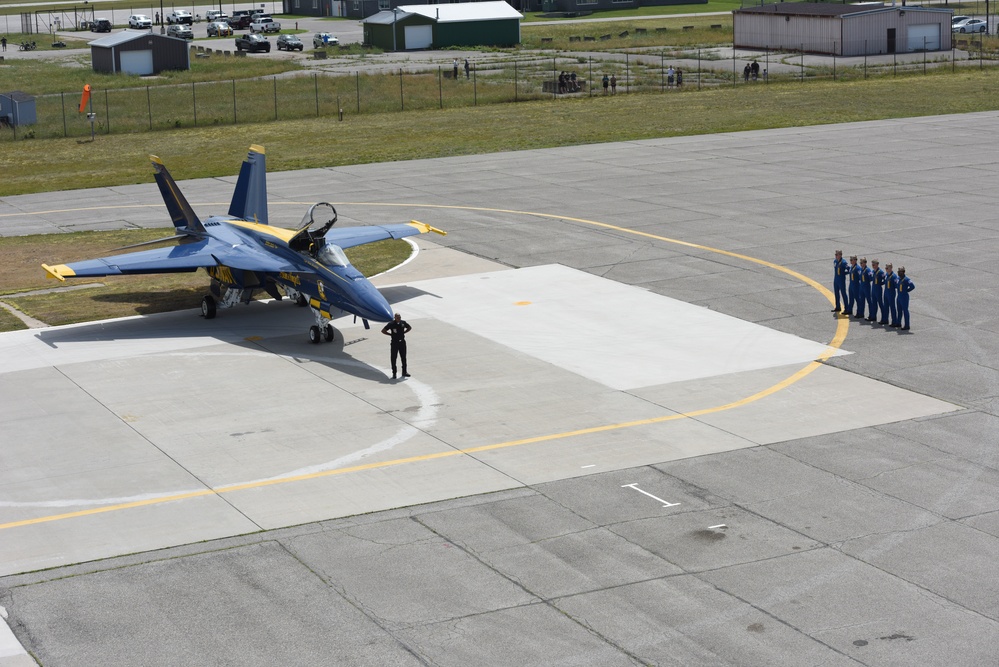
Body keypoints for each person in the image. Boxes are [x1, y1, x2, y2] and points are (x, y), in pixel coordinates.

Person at [381, 313, 412, 379]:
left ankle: (404, 371)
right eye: (397, 317)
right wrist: (390, 335)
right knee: (393, 358)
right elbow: (383, 331)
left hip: (402, 342)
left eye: (399, 317)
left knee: (403, 357)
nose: (399, 318)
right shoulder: (391, 324)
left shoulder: (403, 323)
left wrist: (404, 332)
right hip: (395, 343)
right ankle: (394, 373)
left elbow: (409, 327)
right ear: (395, 317)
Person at [869, 259, 885, 323]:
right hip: (873, 288)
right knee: (874, 304)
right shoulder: (873, 271)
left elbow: (885, 279)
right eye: (872, 265)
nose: (873, 266)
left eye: (874, 264)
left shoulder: (881, 272)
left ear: (877, 264)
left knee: (880, 304)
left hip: (878, 289)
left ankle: (884, 318)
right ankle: (873, 316)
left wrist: (881, 283)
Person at [832, 250, 848, 314]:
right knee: (836, 293)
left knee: (843, 293)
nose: (836, 256)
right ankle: (838, 306)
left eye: (837, 255)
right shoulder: (835, 261)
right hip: (836, 279)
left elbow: (849, 270)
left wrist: (844, 273)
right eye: (835, 255)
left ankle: (847, 308)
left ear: (840, 255)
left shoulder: (844, 262)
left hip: (841, 280)